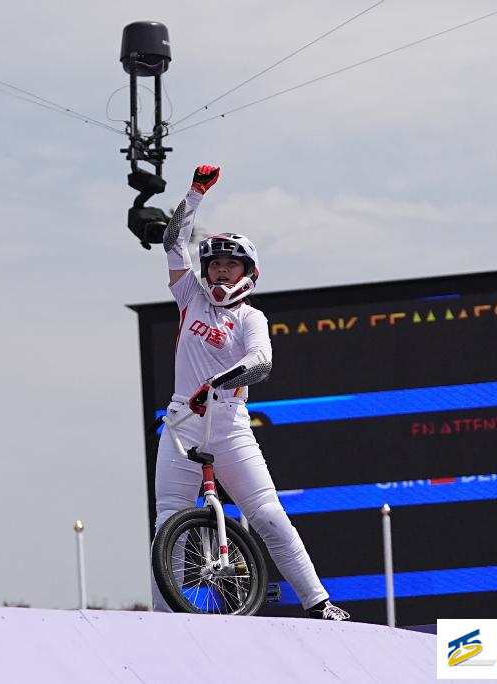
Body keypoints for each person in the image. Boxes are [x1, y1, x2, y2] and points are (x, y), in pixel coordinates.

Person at [152, 165, 350, 620]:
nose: (221, 270)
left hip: (229, 423)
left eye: (231, 263)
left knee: (267, 514)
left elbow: (261, 364)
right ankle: (162, 620)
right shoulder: (190, 298)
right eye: (215, 264)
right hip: (182, 421)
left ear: (248, 271)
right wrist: (196, 192)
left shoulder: (250, 318)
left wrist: (215, 385)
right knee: (169, 523)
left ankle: (319, 603)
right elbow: (171, 241)